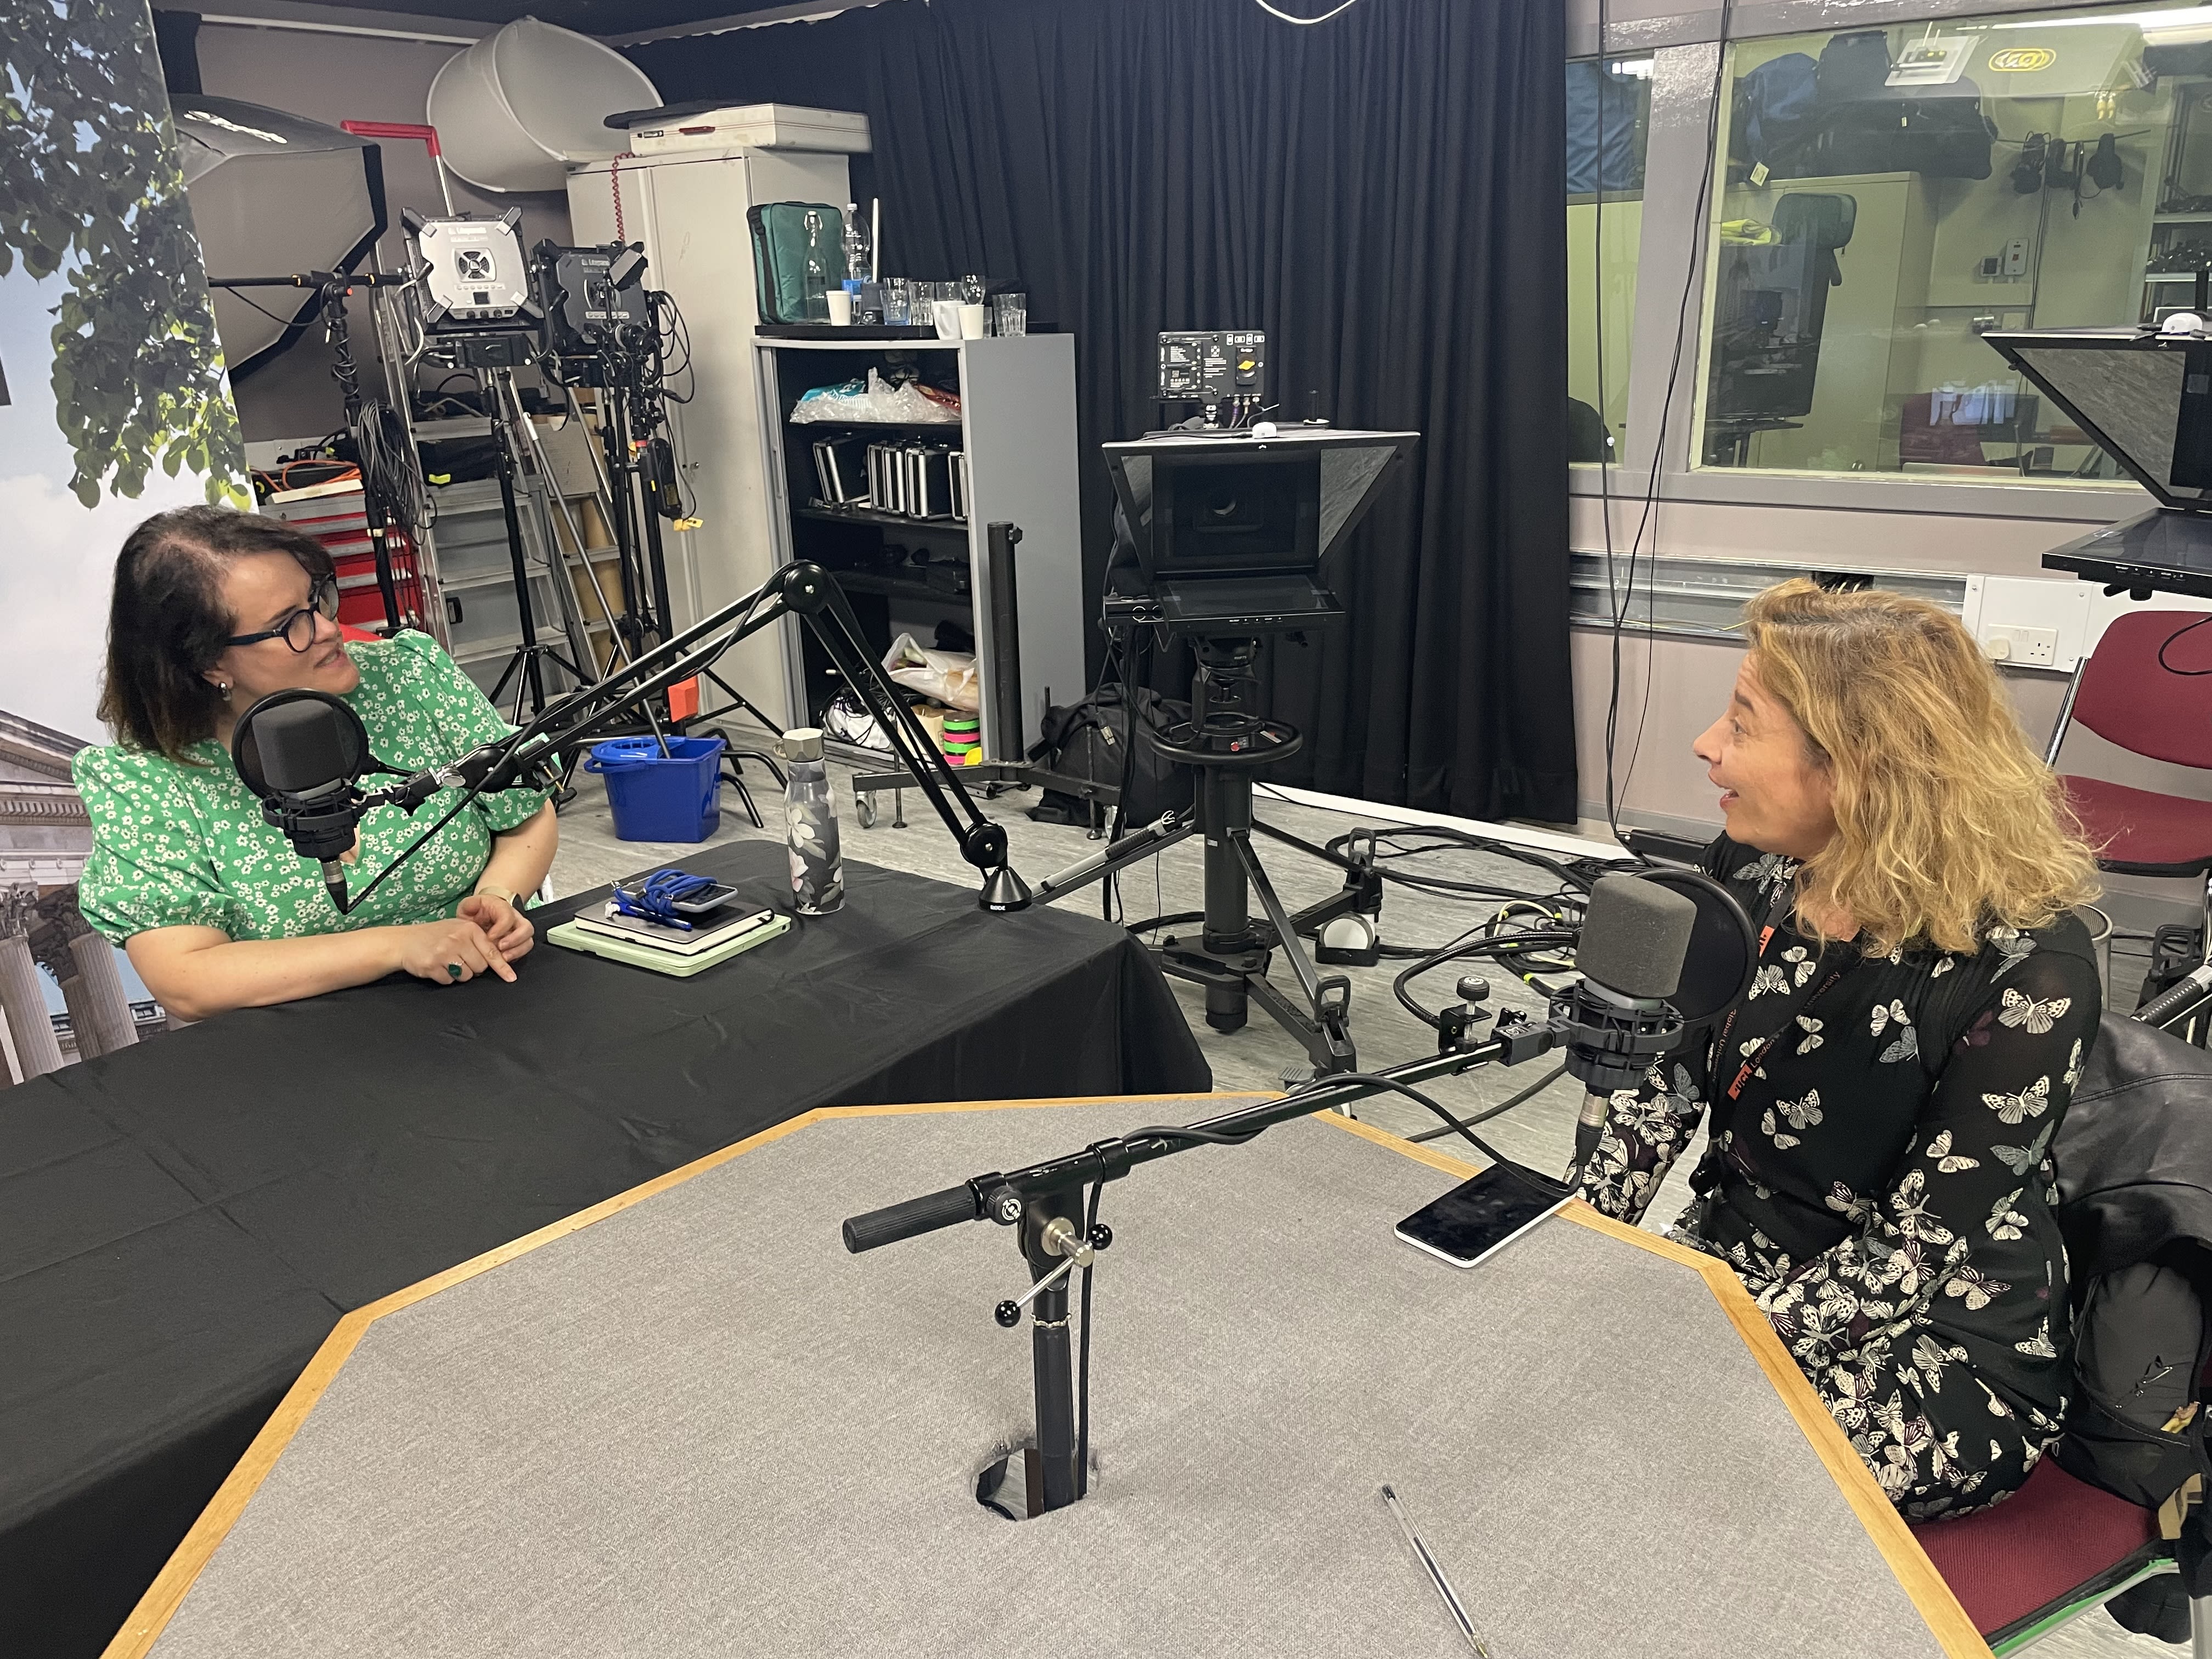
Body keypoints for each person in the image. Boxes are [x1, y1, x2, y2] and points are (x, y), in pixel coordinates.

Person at [1575, 578, 2102, 1520]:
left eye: (1741, 723)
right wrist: (1575, 1245)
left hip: (1931, 1338)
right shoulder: (1751, 865)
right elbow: (1665, 1084)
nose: (1707, 746)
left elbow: (1908, 1256)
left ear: (1859, 764)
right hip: (1733, 1268)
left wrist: (1685, 1343)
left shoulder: (2033, 971)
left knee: (1648, 1459)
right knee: (1553, 1385)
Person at [72, 506, 558, 1021]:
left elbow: (523, 811)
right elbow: (186, 978)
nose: (330, 629)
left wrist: (500, 898)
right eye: (290, 625)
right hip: (305, 1055)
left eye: (316, 599)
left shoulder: (407, 677)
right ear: (209, 662)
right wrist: (400, 947)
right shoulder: (150, 780)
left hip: (487, 1003)